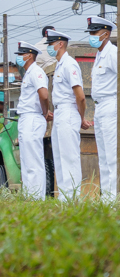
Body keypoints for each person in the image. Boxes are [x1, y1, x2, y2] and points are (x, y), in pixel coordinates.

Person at [46, 29, 87, 199]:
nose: (49, 47)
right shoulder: (59, 65)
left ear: (60, 44)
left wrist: (81, 117)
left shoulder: (70, 64)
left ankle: (72, 199)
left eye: (51, 44)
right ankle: (64, 199)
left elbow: (81, 97)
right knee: (60, 158)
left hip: (69, 112)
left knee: (70, 158)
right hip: (60, 113)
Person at [15, 41, 51, 198]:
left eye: (21, 55)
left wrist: (45, 111)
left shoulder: (36, 71)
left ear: (29, 55)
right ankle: (30, 196)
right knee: (27, 161)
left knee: (34, 162)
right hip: (26, 118)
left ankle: (36, 197)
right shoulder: (29, 73)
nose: (19, 58)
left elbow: (43, 94)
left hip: (33, 118)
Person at [87, 16, 117, 200]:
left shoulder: (112, 53)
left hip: (111, 105)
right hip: (100, 107)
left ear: (106, 34)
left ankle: (113, 199)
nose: (91, 36)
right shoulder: (100, 54)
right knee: (104, 157)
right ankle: (106, 199)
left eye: (94, 32)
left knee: (112, 156)